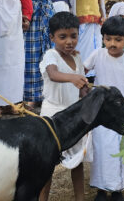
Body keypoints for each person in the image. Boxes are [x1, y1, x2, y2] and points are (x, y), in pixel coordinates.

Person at [84, 16, 124, 201]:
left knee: (119, 150)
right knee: (100, 150)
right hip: (101, 114)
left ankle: (117, 190)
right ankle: (101, 189)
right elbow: (81, 71)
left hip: (121, 115)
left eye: (118, 40)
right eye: (108, 39)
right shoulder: (97, 54)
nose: (112, 44)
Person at [39, 12, 90, 201]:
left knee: (77, 160)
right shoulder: (50, 55)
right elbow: (53, 74)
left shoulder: (76, 58)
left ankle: (80, 197)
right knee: (48, 163)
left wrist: (87, 97)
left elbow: (82, 88)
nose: (69, 41)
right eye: (62, 37)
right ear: (52, 37)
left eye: (73, 36)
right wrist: (73, 78)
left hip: (73, 115)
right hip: (52, 116)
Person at [66, 0, 106, 80]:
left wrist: (104, 16)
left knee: (96, 47)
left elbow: (101, 2)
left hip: (96, 25)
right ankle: (80, 74)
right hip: (81, 24)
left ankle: (94, 75)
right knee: (82, 48)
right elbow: (71, 0)